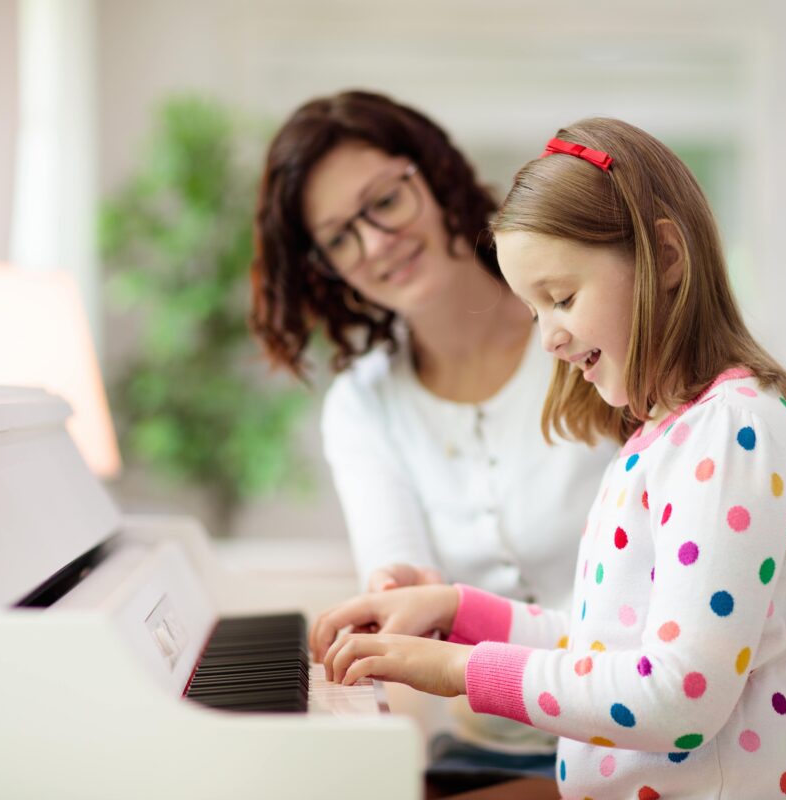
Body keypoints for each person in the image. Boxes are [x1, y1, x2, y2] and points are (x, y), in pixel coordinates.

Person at [310, 118, 786, 799]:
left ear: (667, 258)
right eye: (535, 312)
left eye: (560, 299)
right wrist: (455, 609)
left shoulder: (731, 436)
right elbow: (603, 646)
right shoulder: (669, 437)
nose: (549, 341)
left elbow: (678, 698)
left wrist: (457, 672)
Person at [249, 91, 616, 787]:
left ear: (436, 174)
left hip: (644, 734)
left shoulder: (586, 335)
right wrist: (399, 593)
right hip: (495, 747)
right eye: (337, 238)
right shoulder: (362, 406)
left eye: (384, 201)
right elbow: (401, 573)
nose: (376, 244)